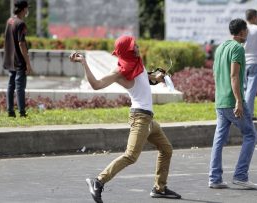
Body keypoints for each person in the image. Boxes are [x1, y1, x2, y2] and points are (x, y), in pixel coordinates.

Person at [69, 35, 181, 203]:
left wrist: (155, 78)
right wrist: (84, 62)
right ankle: (98, 182)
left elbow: (142, 78)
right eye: (133, 47)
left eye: (136, 45)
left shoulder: (137, 62)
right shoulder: (119, 72)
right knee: (131, 156)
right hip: (140, 118)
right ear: (126, 51)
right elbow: (96, 85)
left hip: (149, 119)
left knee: (166, 149)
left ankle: (160, 188)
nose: (137, 48)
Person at [208, 18, 257, 189]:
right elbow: (234, 75)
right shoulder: (237, 48)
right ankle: (240, 176)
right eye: (247, 31)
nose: (247, 34)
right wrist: (238, 101)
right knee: (250, 135)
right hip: (231, 101)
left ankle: (214, 178)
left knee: (219, 139)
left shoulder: (221, 47)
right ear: (242, 32)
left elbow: (215, 73)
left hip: (220, 101)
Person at [3, 0, 33, 118]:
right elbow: (22, 44)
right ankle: (22, 112)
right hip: (19, 61)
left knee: (11, 85)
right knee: (20, 87)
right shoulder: (21, 24)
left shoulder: (10, 21)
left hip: (11, 59)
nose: (27, 10)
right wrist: (28, 63)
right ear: (23, 9)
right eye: (27, 8)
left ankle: (10, 111)